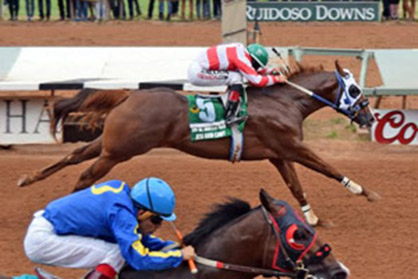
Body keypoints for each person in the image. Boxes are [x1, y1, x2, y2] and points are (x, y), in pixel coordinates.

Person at [23, 177, 196, 279]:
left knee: (115, 250)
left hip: (50, 230)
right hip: (43, 239)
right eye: (156, 220)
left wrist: (169, 246)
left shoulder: (125, 199)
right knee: (117, 253)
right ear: (142, 212)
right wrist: (178, 256)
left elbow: (136, 238)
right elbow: (137, 257)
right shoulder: (122, 213)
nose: (157, 227)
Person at [187, 43, 287, 126]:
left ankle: (228, 105)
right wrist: (276, 79)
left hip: (200, 67)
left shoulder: (242, 52)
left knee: (236, 76)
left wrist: (270, 71)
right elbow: (256, 81)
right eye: (256, 65)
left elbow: (251, 69)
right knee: (236, 78)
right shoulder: (241, 59)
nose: (256, 68)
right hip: (198, 72)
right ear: (253, 60)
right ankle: (229, 115)